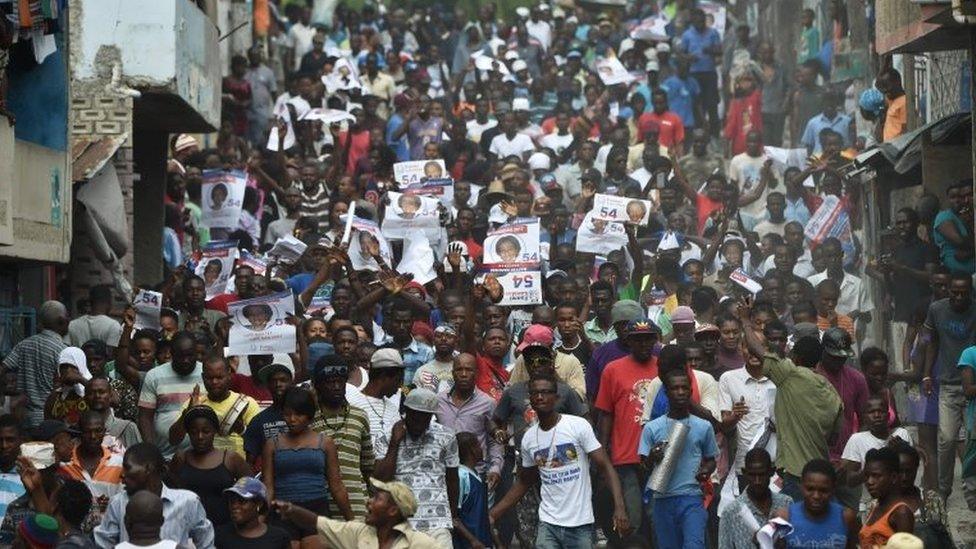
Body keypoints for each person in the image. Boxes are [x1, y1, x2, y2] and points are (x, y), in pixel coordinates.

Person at [491, 375, 630, 547]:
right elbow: (524, 481)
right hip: (548, 523)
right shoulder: (529, 438)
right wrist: (494, 513)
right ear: (530, 400)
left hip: (580, 524)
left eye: (545, 392)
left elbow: (605, 467)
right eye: (535, 393)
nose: (540, 397)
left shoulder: (578, 426)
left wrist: (620, 506)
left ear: (556, 398)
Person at [740, 302, 842, 502]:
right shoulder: (832, 392)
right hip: (822, 473)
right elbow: (833, 439)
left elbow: (756, 349)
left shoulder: (790, 374)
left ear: (796, 358)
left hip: (797, 475)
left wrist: (745, 320)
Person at [594, 319, 660, 541]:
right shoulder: (612, 369)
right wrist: (603, 453)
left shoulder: (663, 367)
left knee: (656, 518)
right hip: (625, 456)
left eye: (648, 338)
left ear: (654, 340)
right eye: (638, 339)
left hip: (658, 456)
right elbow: (606, 413)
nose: (643, 344)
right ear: (628, 341)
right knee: (632, 520)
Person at [640, 368, 718, 548]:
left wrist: (706, 470)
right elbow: (643, 466)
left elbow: (711, 459)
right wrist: (652, 457)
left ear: (691, 391)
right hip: (662, 499)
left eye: (684, 387)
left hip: (691, 497)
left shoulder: (703, 426)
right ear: (667, 393)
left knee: (694, 545)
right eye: (675, 388)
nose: (680, 392)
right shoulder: (652, 428)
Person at [262, 387, 352, 541]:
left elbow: (336, 486)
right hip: (283, 511)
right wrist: (261, 517)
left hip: (316, 509)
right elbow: (268, 487)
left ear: (309, 415)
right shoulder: (272, 444)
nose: (292, 419)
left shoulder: (325, 443)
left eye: (298, 414)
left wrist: (352, 521)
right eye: (287, 414)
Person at [373, 388, 460, 546]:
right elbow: (380, 480)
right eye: (415, 415)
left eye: (425, 416)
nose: (419, 421)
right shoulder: (387, 436)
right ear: (406, 411)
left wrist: (452, 516)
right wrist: (394, 443)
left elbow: (452, 479)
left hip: (438, 522)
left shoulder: (446, 436)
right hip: (401, 524)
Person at [93, 442, 214, 547]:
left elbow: (205, 542)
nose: (122, 474)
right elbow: (104, 544)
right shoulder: (118, 503)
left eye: (127, 468)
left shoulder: (187, 502)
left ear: (148, 469)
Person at [921, 273, 976, 499]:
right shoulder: (937, 309)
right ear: (949, 291)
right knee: (947, 438)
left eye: (964, 293)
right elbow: (932, 342)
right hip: (948, 385)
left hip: (972, 386)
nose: (959, 297)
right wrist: (926, 375)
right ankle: (944, 489)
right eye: (955, 292)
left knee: (972, 440)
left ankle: (971, 487)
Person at [272, 478, 440, 548]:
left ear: (393, 510)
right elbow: (318, 522)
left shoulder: (421, 543)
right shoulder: (358, 532)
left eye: (377, 499)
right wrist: (291, 509)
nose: (369, 501)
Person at [308, 355, 374, 519]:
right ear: (318, 385)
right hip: (321, 507)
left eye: (340, 381)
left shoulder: (360, 416)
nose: (336, 386)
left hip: (358, 504)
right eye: (330, 382)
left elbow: (367, 466)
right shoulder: (309, 419)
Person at [169, 406, 250, 528]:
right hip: (188, 527)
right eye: (194, 432)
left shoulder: (230, 459)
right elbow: (171, 494)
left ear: (215, 431)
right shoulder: (181, 458)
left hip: (224, 528)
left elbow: (252, 490)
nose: (200, 437)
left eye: (206, 431)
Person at [167, 354, 259, 458]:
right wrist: (188, 412)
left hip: (236, 469)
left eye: (219, 377)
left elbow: (260, 441)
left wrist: (241, 429)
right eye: (209, 378)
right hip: (203, 467)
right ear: (203, 377)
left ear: (229, 375)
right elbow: (173, 440)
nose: (214, 382)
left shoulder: (246, 404)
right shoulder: (195, 403)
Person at [434, 354, 502, 488]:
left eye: (469, 370)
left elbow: (495, 441)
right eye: (459, 370)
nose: (464, 374)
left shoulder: (487, 403)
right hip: (444, 473)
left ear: (476, 373)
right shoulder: (438, 401)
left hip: (476, 474)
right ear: (453, 373)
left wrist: (495, 468)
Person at [4, 300, 68, 429]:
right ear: (61, 320)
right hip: (51, 418)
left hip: (25, 417)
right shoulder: (62, 350)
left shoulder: (24, 345)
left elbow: (3, 367)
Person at [775, 459, 860, 547]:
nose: (816, 496)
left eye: (823, 490)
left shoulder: (846, 517)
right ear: (801, 486)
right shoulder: (784, 518)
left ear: (833, 488)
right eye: (810, 489)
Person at [717, 448, 792, 549]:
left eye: (761, 475)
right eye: (752, 475)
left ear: (771, 472)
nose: (757, 481)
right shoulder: (730, 513)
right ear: (745, 473)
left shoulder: (786, 504)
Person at [59, 411, 124, 519]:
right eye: (87, 431)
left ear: (104, 432)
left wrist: (110, 504)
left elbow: (124, 502)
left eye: (98, 431)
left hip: (109, 532)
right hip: (75, 531)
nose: (93, 436)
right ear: (79, 432)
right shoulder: (65, 464)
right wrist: (93, 506)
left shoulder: (118, 464)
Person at [347, 349, 404, 460]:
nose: (399, 386)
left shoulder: (393, 409)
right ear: (383, 377)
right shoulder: (352, 403)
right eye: (397, 380)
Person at [859, 448, 915, 545]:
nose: (869, 482)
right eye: (867, 476)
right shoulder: (875, 507)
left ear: (893, 477)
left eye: (876, 476)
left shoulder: (901, 513)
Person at [214, 477, 290, 549]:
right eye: (232, 501)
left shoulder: (279, 537)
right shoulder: (219, 536)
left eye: (242, 501)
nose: (234, 506)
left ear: (259, 503)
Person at [241, 362, 293, 467]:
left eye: (283, 380)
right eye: (274, 381)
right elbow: (250, 463)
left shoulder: (304, 416)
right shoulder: (259, 420)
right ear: (268, 386)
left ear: (291, 383)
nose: (278, 384)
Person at [453, 432, 492, 549]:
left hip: (481, 540)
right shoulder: (461, 476)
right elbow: (454, 517)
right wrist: (473, 540)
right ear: (472, 449)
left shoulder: (476, 475)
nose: (481, 448)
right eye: (479, 445)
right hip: (468, 544)